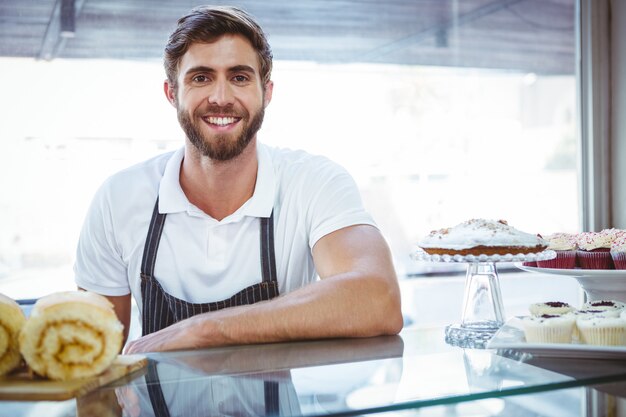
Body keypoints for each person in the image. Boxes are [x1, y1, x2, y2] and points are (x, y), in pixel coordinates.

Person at [74, 5, 402, 354]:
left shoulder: (314, 183)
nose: (221, 98)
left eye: (240, 77)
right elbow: (92, 358)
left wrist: (206, 330)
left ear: (267, 92)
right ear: (172, 93)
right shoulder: (119, 197)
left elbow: (378, 297)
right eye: (201, 77)